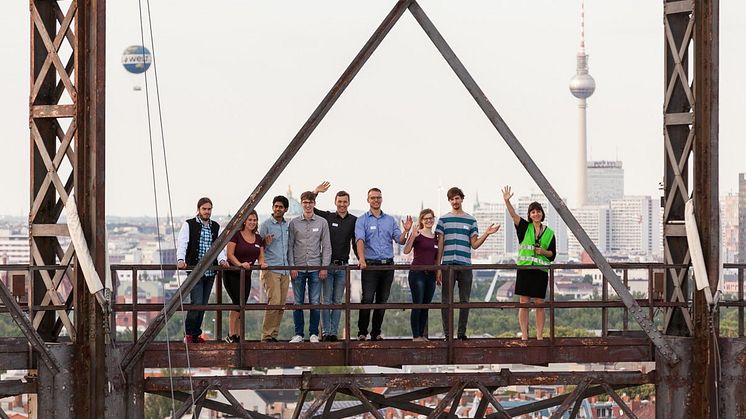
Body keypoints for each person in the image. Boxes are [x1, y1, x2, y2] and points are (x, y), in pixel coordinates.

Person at [436, 187, 499, 340]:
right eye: (452, 199)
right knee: (446, 301)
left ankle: (461, 333)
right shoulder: (443, 220)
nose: (454, 201)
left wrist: (486, 234)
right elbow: (440, 245)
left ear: (462, 199)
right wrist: (438, 267)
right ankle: (447, 334)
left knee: (465, 300)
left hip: (465, 264)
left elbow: (475, 244)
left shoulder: (471, 220)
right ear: (449, 201)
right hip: (448, 264)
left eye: (457, 198)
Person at [355, 187, 410, 341]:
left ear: (382, 199)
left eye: (378, 197)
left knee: (382, 300)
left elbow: (400, 240)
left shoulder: (390, 220)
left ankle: (376, 332)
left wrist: (406, 231)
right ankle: (362, 332)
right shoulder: (362, 220)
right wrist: (361, 259)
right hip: (370, 265)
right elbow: (360, 240)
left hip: (387, 265)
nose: (376, 200)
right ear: (368, 200)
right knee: (367, 299)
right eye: (372, 198)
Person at [502, 185, 556, 340]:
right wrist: (507, 202)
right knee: (524, 302)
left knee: (540, 303)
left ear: (542, 213)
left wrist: (543, 252)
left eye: (538, 211)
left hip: (540, 270)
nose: (536, 214)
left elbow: (552, 255)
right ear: (530, 215)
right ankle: (525, 335)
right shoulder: (524, 227)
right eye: (533, 212)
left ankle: (539, 335)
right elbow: (513, 216)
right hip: (525, 269)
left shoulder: (550, 233)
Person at [176, 197, 229, 343]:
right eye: (204, 209)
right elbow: (183, 243)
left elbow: (219, 248)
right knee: (196, 302)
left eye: (209, 209)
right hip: (195, 270)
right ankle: (189, 334)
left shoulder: (216, 227)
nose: (207, 211)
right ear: (198, 209)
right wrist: (181, 259)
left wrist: (222, 260)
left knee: (203, 304)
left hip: (210, 271)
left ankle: (195, 334)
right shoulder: (189, 225)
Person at [312, 181, 357, 342]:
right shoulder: (329, 216)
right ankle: (326, 332)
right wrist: (316, 191)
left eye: (345, 202)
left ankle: (333, 332)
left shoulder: (353, 220)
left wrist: (360, 260)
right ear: (335, 203)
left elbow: (355, 242)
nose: (342, 204)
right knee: (326, 301)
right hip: (327, 264)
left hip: (343, 266)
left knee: (338, 301)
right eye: (340, 201)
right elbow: (312, 208)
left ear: (349, 203)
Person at [288, 191, 331, 343]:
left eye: (310, 202)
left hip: (315, 267)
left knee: (315, 302)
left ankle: (313, 333)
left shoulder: (322, 222)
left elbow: (326, 246)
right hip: (298, 268)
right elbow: (290, 246)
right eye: (305, 202)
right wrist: (291, 267)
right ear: (301, 203)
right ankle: (298, 333)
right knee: (297, 302)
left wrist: (324, 267)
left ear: (314, 203)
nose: (307, 205)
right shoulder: (293, 223)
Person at [223, 210, 267, 343]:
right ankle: (232, 335)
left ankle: (239, 335)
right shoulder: (236, 235)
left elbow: (260, 255)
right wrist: (240, 265)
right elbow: (230, 254)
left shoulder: (258, 238)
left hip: (246, 276)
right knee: (237, 304)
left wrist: (262, 263)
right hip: (232, 273)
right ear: (244, 221)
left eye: (254, 220)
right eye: (250, 220)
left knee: (242, 305)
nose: (252, 222)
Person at [403, 208, 439, 341]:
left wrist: (437, 272)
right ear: (422, 220)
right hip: (417, 273)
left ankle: (422, 335)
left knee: (426, 305)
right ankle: (416, 335)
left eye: (431, 218)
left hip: (431, 275)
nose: (429, 220)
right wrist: (412, 236)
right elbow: (406, 250)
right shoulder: (418, 234)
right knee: (417, 304)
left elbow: (436, 257)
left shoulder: (435, 237)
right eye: (426, 218)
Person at [258, 196, 291, 342]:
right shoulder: (265, 225)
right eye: (275, 206)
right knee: (274, 301)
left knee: (281, 304)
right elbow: (258, 247)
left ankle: (274, 334)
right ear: (272, 207)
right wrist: (265, 242)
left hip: (285, 269)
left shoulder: (287, 226)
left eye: (281, 207)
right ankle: (266, 335)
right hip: (271, 268)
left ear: (285, 209)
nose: (278, 209)